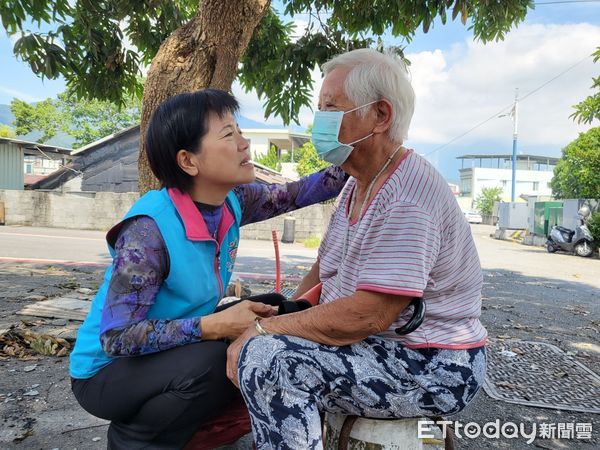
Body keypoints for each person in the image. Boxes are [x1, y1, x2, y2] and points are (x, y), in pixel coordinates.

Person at [227, 48, 488, 449]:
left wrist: (265, 329)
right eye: (320, 108)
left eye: (331, 107)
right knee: (243, 328)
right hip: (385, 345)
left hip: (432, 363)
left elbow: (370, 314)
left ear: (380, 116)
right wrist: (285, 311)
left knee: (270, 360)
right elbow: (324, 267)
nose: (320, 120)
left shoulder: (406, 196)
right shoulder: (357, 181)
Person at [68, 89, 348, 449]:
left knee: (275, 308)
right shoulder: (148, 232)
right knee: (222, 358)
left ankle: (194, 426)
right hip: (106, 374)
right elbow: (117, 338)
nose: (245, 144)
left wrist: (355, 158)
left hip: (164, 355)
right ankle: (137, 437)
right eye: (229, 135)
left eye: (239, 131)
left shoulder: (231, 201)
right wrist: (210, 326)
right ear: (188, 161)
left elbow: (298, 193)